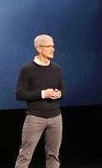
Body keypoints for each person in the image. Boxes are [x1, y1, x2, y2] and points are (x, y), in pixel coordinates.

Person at [14, 34, 64, 168]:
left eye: (53, 46)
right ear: (39, 48)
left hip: (56, 117)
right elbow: (20, 94)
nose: (53, 49)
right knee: (25, 155)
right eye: (49, 46)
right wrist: (43, 94)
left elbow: (62, 90)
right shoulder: (27, 69)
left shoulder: (56, 68)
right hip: (35, 117)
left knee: (54, 155)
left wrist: (58, 93)